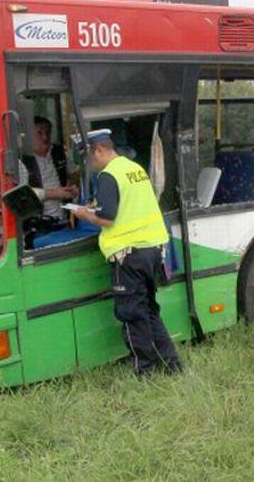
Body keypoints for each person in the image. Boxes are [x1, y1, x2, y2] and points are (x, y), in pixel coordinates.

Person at [71, 129, 182, 375]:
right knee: (149, 311)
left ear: (99, 150)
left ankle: (145, 370)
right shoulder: (134, 168)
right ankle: (172, 365)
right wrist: (98, 206)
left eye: (87, 158)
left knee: (132, 314)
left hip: (129, 255)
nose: (88, 164)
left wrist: (83, 213)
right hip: (153, 249)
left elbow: (107, 219)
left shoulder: (108, 175)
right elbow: (128, 204)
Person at [19, 116, 78, 218]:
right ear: (29, 136)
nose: (45, 138)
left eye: (48, 133)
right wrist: (53, 193)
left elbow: (74, 173)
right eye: (39, 133)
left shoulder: (58, 152)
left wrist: (72, 186)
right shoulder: (23, 160)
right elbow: (21, 194)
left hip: (64, 218)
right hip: (37, 221)